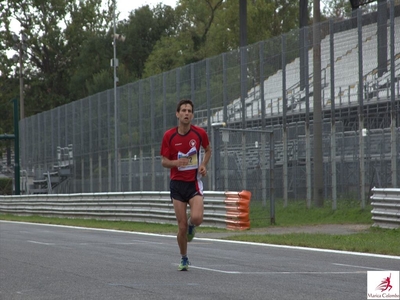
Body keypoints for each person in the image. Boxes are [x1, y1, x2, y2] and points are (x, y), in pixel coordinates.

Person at [160, 99, 211, 271]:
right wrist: (176, 163)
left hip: (193, 184)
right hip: (177, 185)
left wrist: (203, 164)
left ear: (192, 114)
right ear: (177, 114)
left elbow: (208, 149)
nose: (186, 113)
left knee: (196, 219)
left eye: (189, 110)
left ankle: (191, 226)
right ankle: (184, 258)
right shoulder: (169, 136)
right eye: (183, 110)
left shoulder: (199, 134)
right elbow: (164, 161)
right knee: (181, 227)